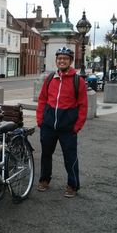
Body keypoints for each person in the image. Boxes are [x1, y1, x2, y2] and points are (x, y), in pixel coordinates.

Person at [35, 47, 88, 198]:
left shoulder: (78, 81)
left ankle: (72, 185)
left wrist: (77, 126)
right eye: (59, 58)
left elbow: (83, 106)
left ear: (70, 61)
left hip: (68, 128)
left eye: (65, 58)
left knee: (70, 157)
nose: (62, 60)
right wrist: (40, 120)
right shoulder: (50, 78)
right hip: (48, 125)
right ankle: (44, 180)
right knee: (46, 154)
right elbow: (42, 100)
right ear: (56, 60)